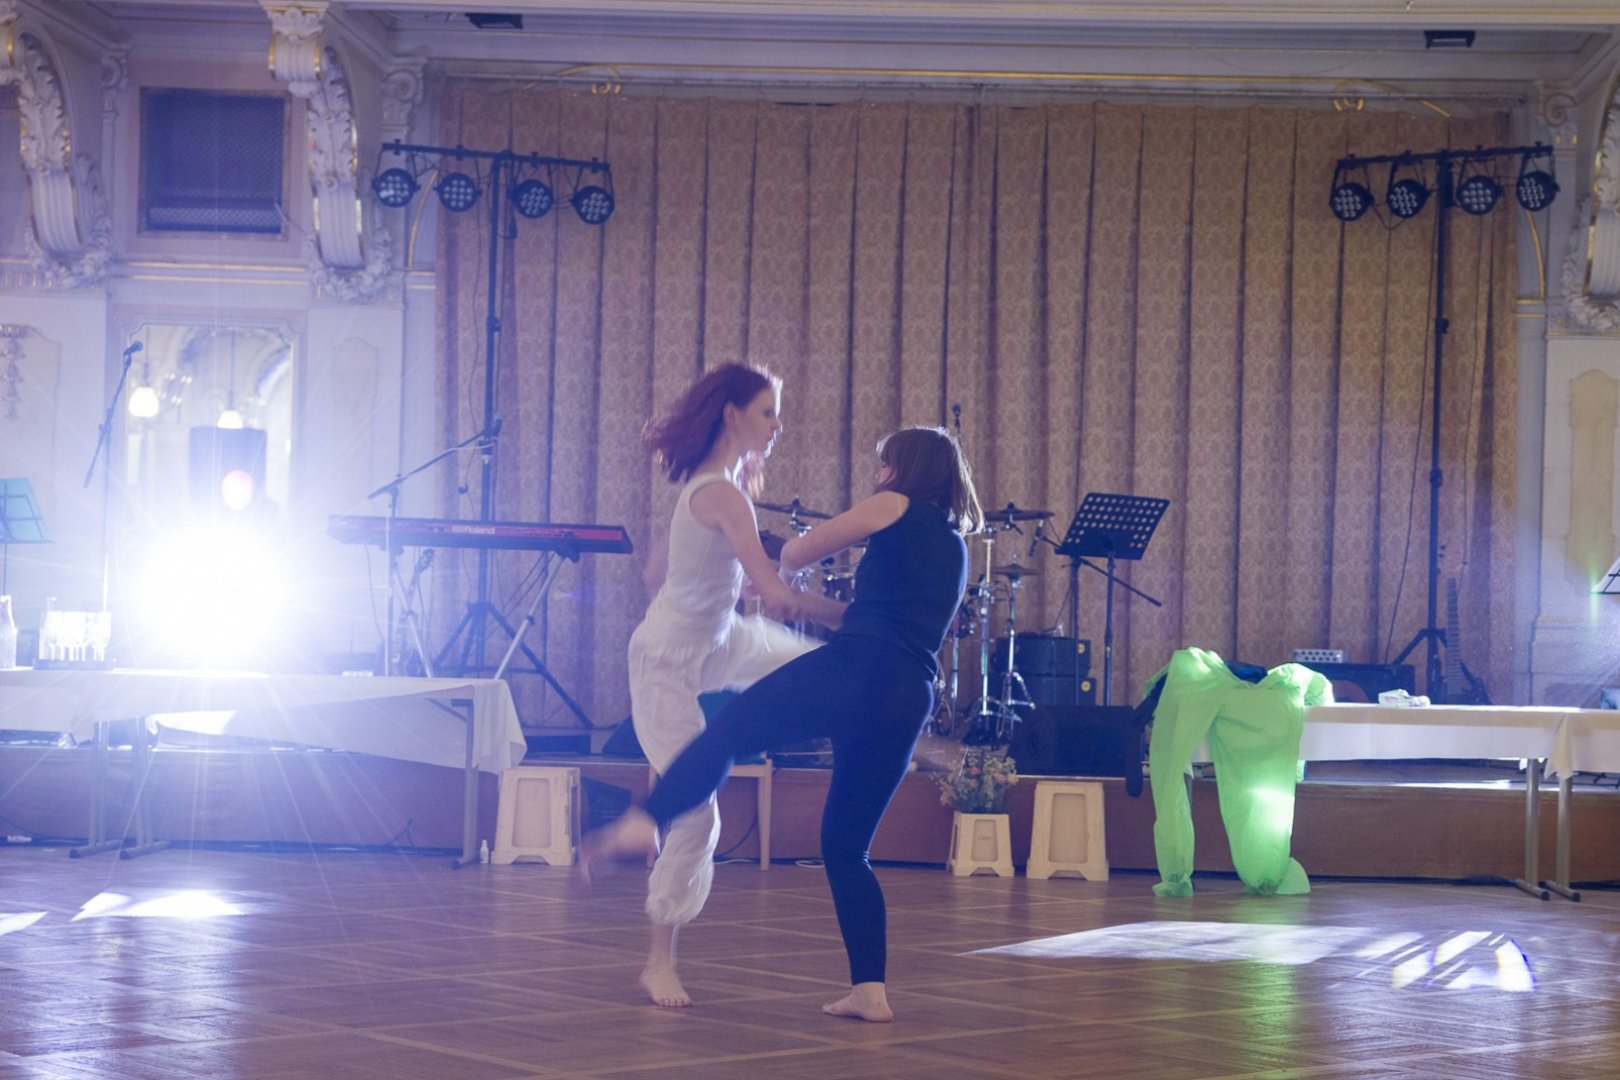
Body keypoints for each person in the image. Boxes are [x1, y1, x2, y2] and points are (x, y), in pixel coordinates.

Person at [588, 425, 984, 1024]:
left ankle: (644, 819)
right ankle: (870, 991)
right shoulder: (956, 548)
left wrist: (786, 569)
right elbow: (862, 617)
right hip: (907, 698)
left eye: (885, 464)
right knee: (847, 848)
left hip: (854, 671)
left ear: (902, 469)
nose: (879, 473)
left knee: (726, 733)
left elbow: (800, 551)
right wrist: (802, 604)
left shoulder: (894, 504)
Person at [629, 362, 844, 1010]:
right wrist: (851, 614)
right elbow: (778, 596)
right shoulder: (723, 495)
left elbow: (655, 574)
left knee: (811, 663)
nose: (778, 425)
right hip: (668, 662)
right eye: (768, 412)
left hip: (718, 640)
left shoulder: (709, 488)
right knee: (698, 808)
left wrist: (726, 581)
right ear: (733, 414)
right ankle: (657, 961)